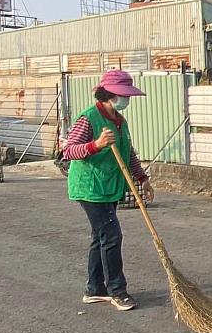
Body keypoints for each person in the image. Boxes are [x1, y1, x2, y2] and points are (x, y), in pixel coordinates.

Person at [64, 70, 153, 311]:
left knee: (100, 238)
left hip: (110, 187)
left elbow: (128, 151)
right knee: (112, 236)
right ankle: (117, 290)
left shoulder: (119, 120)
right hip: (91, 188)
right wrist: (97, 145)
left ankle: (94, 289)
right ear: (110, 93)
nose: (127, 101)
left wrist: (142, 177)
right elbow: (69, 151)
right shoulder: (89, 118)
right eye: (123, 95)